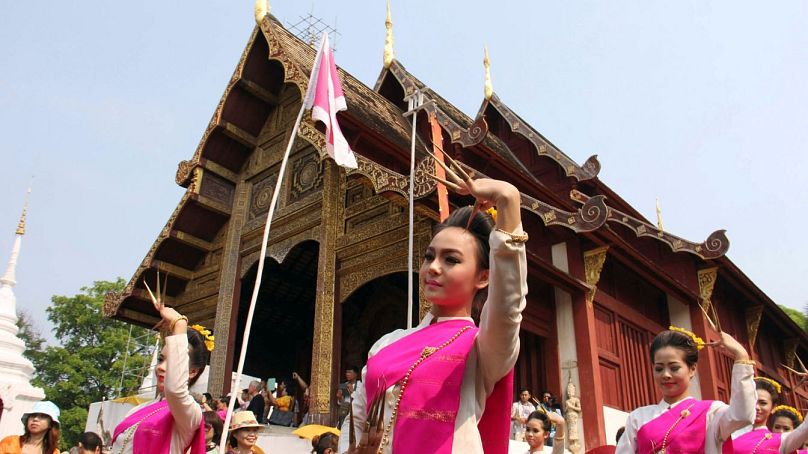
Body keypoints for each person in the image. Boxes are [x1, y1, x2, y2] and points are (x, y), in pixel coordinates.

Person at [339, 168, 527, 454]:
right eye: (429, 256)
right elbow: (354, 427)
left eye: (451, 260)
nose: (433, 267)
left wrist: (508, 199)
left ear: (484, 277)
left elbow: (508, 306)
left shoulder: (483, 348)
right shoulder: (386, 344)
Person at [615, 326, 755, 454]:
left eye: (674, 368)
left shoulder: (711, 413)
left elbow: (743, 415)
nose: (665, 375)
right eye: (659, 368)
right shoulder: (638, 418)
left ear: (692, 369)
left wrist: (741, 356)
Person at [110, 278, 211, 453]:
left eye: (172, 361)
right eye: (161, 359)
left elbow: (175, 390)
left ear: (192, 372)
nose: (161, 367)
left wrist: (179, 324)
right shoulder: (138, 410)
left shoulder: (190, 413)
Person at [732, 377, 808, 453]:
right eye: (752, 401)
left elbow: (804, 428)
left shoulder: (779, 440)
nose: (756, 407)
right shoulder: (729, 431)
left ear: (773, 408)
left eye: (763, 403)